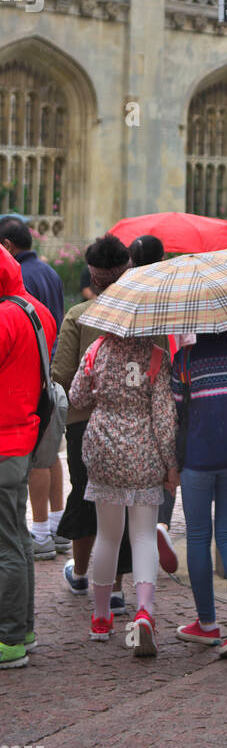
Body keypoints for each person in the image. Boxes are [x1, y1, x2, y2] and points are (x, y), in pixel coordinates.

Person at [68, 324, 178, 656]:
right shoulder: (157, 356)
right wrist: (170, 462)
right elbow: (164, 418)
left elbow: (76, 396)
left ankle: (101, 618)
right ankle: (145, 611)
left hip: (104, 449)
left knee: (107, 535)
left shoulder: (97, 350)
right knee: (143, 535)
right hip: (143, 451)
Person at [52, 234, 134, 613]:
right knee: (123, 501)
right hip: (133, 423)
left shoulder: (78, 316)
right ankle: (116, 587)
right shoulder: (144, 314)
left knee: (85, 494)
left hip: (84, 423)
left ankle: (82, 573)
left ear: (93, 274)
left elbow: (61, 374)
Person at [172, 322, 227, 658]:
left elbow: (177, 408)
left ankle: (207, 623)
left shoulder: (184, 360)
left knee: (198, 536)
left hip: (198, 457)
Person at [0, 245, 57, 668]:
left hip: (4, 441)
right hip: (23, 437)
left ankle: (9, 640)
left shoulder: (4, 317)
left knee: (7, 544)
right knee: (17, 540)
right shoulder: (34, 310)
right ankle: (25, 628)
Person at [1, 217, 67, 563]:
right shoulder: (49, 272)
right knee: (50, 455)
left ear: (8, 248)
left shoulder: (18, 285)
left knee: (38, 461)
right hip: (48, 372)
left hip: (26, 381)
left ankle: (40, 531)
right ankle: (55, 527)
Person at [127, 234, 179, 577]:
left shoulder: (125, 291)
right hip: (168, 381)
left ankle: (138, 531)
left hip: (133, 386)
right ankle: (160, 525)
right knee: (166, 459)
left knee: (135, 461)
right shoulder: (174, 290)